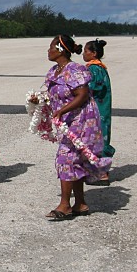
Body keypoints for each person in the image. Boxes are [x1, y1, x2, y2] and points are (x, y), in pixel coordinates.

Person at [44, 35, 106, 219]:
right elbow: (54, 95)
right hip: (67, 121)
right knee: (75, 160)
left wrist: (62, 110)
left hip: (81, 120)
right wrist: (39, 100)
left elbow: (82, 94)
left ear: (60, 50)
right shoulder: (54, 71)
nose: (48, 51)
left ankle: (65, 205)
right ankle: (80, 204)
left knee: (65, 159)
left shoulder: (75, 70)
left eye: (51, 47)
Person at [82, 39, 114, 184]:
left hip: (97, 110)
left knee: (97, 138)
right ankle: (98, 171)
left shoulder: (94, 69)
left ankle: (102, 174)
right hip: (102, 109)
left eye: (86, 51)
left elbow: (90, 87)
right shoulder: (100, 68)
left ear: (93, 53)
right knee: (100, 137)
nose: (83, 54)